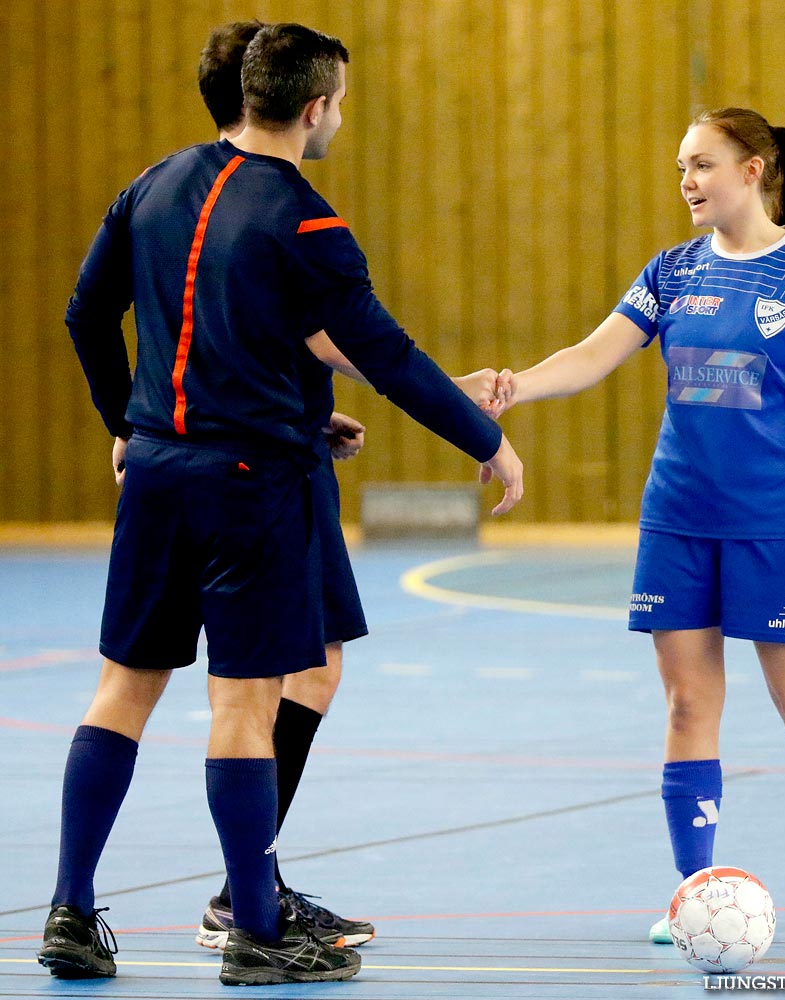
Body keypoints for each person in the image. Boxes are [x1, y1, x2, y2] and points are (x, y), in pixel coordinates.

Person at [38, 22, 522, 988]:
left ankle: (70, 912)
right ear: (315, 107)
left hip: (162, 477)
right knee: (244, 706)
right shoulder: (307, 221)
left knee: (123, 691)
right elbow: (384, 354)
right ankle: (256, 930)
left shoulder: (155, 185)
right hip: (250, 492)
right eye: (338, 102)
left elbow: (90, 313)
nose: (339, 115)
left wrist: (127, 428)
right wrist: (490, 441)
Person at [488, 107, 785, 943]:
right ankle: (695, 888)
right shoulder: (669, 270)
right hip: (678, 519)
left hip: (777, 521)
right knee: (687, 702)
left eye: (701, 165)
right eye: (680, 169)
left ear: (753, 171)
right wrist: (515, 385)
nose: (688, 182)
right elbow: (591, 356)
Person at [189, 22, 501, 953]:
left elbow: (298, 336)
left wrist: (317, 411)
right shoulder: (275, 204)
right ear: (299, 99)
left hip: (280, 445)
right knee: (259, 688)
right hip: (260, 471)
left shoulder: (201, 196)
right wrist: (468, 418)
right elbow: (363, 342)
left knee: (310, 665)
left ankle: (249, 883)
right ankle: (246, 899)